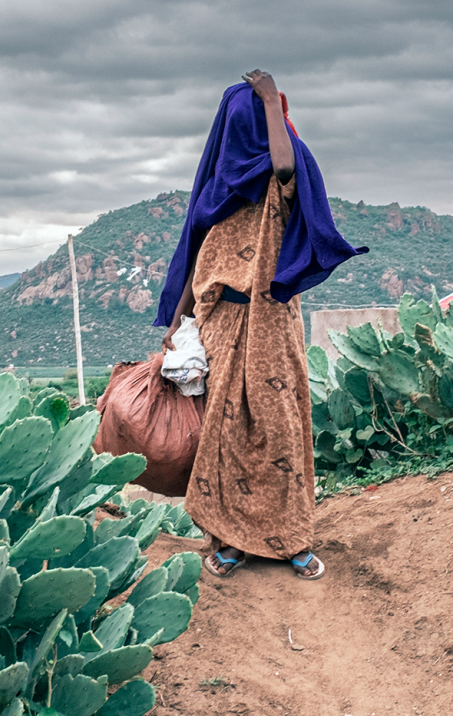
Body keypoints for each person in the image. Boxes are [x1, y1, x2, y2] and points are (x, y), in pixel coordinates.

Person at [153, 71, 367, 580]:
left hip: (270, 315)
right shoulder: (215, 192)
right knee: (222, 429)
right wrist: (179, 319)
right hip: (218, 316)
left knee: (279, 425)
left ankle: (291, 538)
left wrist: (271, 100)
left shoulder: (279, 179)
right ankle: (228, 540)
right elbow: (197, 256)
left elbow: (285, 160)